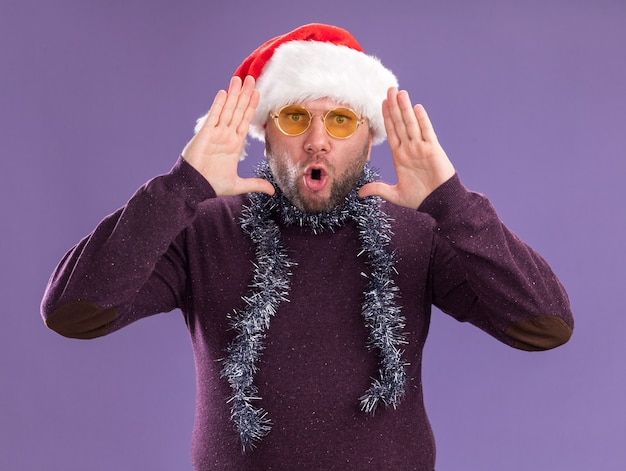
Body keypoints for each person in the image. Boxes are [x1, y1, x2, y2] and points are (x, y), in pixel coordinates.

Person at [41, 23, 574, 470]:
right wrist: (179, 188)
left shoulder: (420, 232)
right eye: (296, 117)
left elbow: (544, 325)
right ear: (267, 135)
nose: (317, 139)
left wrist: (452, 204)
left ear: (368, 138)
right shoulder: (202, 227)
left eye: (340, 120)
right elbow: (73, 311)